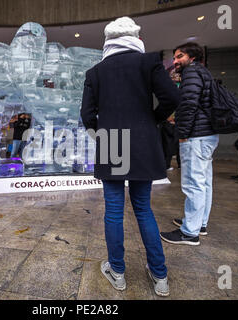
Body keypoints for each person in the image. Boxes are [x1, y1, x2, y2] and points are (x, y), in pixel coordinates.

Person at [81, 17, 181, 297]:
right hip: (142, 142)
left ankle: (118, 272)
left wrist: (101, 135)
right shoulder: (149, 62)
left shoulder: (95, 72)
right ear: (135, 36)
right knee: (143, 208)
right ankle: (159, 276)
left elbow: (87, 116)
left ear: (107, 40)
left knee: (113, 209)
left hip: (112, 141)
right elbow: (173, 99)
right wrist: (153, 120)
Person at [160, 42, 219, 246]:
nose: (175, 61)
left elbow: (188, 105)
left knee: (193, 184)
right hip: (207, 135)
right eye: (175, 57)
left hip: (196, 136)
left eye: (180, 56)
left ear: (192, 58)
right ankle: (199, 223)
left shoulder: (192, 74)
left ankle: (189, 232)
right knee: (203, 182)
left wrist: (183, 134)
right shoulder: (204, 73)